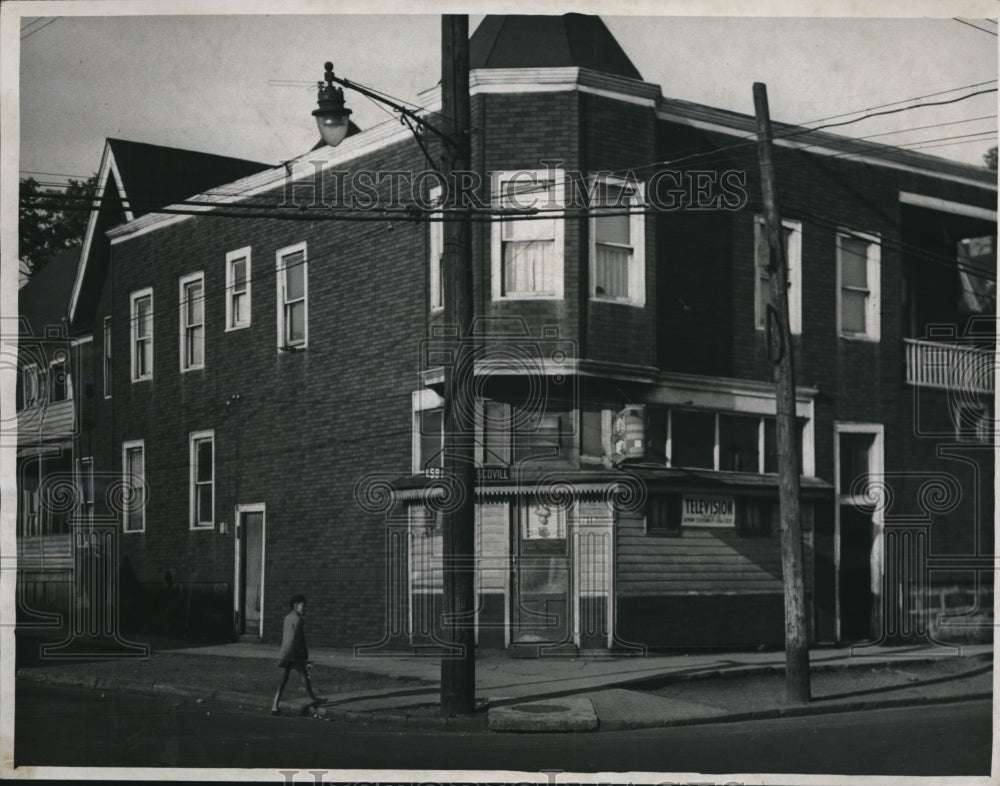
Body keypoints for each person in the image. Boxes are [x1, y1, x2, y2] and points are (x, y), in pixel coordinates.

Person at [271, 594, 319, 714]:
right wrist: (304, 652)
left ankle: (275, 704)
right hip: (295, 652)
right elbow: (298, 638)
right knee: (303, 674)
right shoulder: (299, 620)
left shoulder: (287, 618)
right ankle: (313, 699)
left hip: (285, 651)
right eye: (304, 606)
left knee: (283, 679)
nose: (305, 608)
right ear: (296, 606)